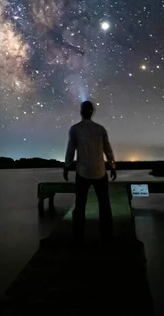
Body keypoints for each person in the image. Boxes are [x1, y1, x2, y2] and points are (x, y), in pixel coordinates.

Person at [63, 100, 117, 242]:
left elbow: (70, 150)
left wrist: (66, 166)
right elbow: (108, 149)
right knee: (104, 204)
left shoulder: (75, 129)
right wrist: (112, 166)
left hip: (83, 172)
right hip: (100, 171)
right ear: (92, 112)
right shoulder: (100, 129)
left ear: (81, 111)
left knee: (80, 205)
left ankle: (78, 236)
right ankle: (107, 235)